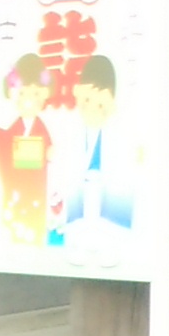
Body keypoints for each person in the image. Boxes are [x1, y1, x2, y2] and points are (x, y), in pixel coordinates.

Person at [54, 54, 138, 251]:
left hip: (109, 222)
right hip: (76, 221)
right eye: (86, 101)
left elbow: (126, 179)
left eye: (99, 103)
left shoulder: (119, 138)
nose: (92, 108)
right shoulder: (71, 136)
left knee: (110, 239)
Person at [0, 54, 50, 248]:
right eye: (22, 94)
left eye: (35, 93)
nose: (28, 100)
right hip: (17, 187)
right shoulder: (16, 127)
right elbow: (4, 142)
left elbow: (49, 149)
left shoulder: (41, 128)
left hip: (36, 186)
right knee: (16, 224)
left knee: (34, 224)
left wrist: (50, 153)